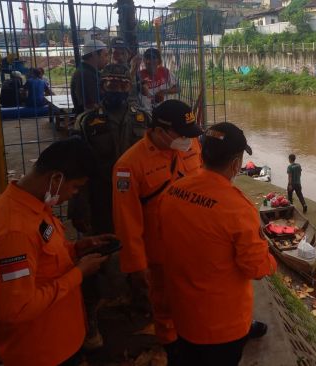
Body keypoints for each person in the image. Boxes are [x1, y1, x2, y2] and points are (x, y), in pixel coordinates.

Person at [0, 139, 116, 366]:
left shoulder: (32, 205)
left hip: (61, 338)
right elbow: (17, 309)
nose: (74, 194)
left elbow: (43, 257)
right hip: (42, 352)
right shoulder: (14, 232)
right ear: (56, 178)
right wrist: (78, 274)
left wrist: (77, 248)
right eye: (75, 187)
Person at [158, 122, 277, 366]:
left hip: (181, 310)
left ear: (201, 153)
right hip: (222, 326)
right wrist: (270, 259)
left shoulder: (174, 191)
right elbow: (257, 269)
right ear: (236, 162)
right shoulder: (238, 209)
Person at [112, 99, 203, 358]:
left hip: (197, 241)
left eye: (190, 134)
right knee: (164, 302)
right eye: (182, 134)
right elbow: (127, 221)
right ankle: (170, 343)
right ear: (159, 131)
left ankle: (199, 331)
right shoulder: (129, 166)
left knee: (199, 292)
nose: (188, 140)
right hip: (160, 250)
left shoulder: (191, 144)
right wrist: (136, 265)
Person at [69, 63, 150, 349]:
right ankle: (91, 318)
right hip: (101, 199)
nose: (116, 89)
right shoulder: (86, 122)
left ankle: (139, 300)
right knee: (97, 256)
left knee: (139, 251)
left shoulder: (144, 118)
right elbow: (76, 169)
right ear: (101, 86)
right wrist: (79, 207)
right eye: (110, 84)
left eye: (122, 84)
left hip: (137, 202)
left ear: (130, 86)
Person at [70, 39, 109, 115]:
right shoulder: (85, 75)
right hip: (92, 123)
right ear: (94, 54)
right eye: (105, 55)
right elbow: (92, 105)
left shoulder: (88, 71)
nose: (107, 59)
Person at [140, 48, 178, 112]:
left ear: (159, 61)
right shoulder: (139, 75)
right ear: (144, 61)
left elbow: (178, 88)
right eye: (147, 58)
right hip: (146, 112)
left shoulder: (165, 71)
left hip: (164, 110)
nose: (149, 61)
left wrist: (164, 91)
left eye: (153, 58)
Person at [110, 37, 142, 106]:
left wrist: (143, 85)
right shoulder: (107, 70)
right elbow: (121, 90)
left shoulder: (131, 68)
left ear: (129, 54)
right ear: (111, 54)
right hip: (117, 109)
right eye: (116, 53)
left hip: (134, 108)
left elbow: (141, 89)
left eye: (123, 53)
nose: (120, 57)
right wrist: (133, 69)